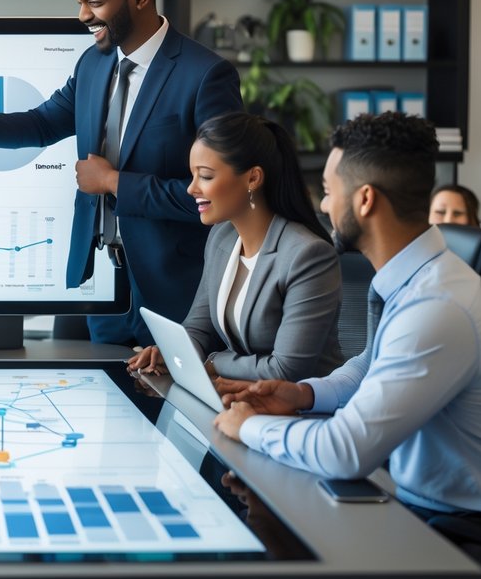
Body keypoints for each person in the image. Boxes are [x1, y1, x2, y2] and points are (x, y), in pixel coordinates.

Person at [213, 112, 481, 579]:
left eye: (330, 191)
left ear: (366, 199)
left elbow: (345, 452)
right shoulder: (422, 278)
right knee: (250, 558)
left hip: (470, 547)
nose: (323, 204)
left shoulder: (438, 306)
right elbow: (370, 365)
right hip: (418, 510)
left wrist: (251, 426)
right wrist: (301, 395)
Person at [0, 0, 242, 345]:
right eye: (79, 1)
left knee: (165, 391)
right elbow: (43, 123)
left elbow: (224, 195)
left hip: (175, 293)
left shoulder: (205, 75)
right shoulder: (93, 64)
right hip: (103, 284)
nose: (83, 16)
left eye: (95, 2)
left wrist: (114, 182)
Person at [127, 112, 341, 381]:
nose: (191, 189)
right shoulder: (222, 237)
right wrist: (172, 353)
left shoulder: (307, 255)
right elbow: (198, 328)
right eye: (192, 175)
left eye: (205, 176)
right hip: (241, 396)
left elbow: (286, 369)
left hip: (308, 402)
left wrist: (214, 362)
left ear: (253, 178)